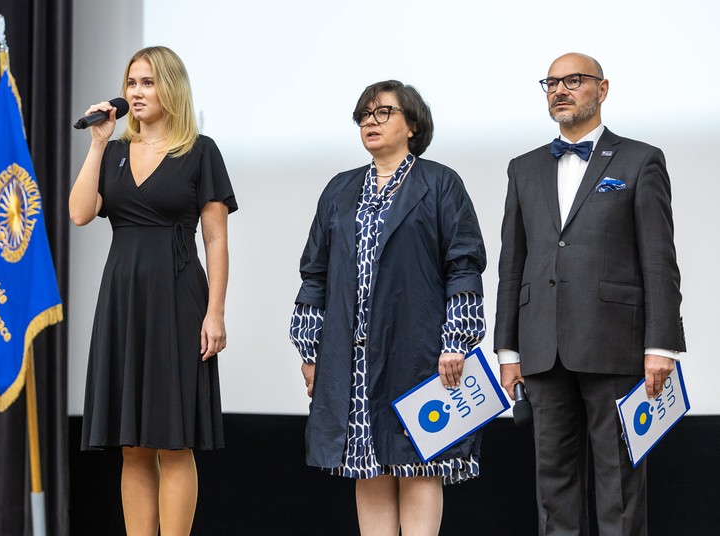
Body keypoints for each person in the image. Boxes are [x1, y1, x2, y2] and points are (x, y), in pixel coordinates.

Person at [494, 52, 685, 535]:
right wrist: (508, 350)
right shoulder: (523, 168)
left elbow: (659, 259)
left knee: (619, 481)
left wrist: (662, 344)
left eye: (574, 80)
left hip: (616, 344)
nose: (560, 89)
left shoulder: (640, 159)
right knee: (552, 482)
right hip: (542, 346)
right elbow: (512, 263)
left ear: (602, 89)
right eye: (551, 83)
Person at [289, 80, 486, 535]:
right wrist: (310, 350)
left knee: (417, 461)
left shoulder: (439, 182)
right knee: (367, 464)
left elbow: (463, 266)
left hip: (418, 352)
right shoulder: (340, 189)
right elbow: (314, 274)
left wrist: (456, 341)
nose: (370, 122)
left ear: (412, 125)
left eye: (383, 113)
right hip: (351, 357)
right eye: (364, 115)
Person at [69, 46, 237, 536]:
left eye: (147, 82)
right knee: (133, 445)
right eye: (131, 83)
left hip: (178, 296)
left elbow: (216, 239)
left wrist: (215, 312)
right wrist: (97, 144)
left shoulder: (200, 150)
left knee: (173, 440)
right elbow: (79, 213)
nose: (136, 92)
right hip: (123, 299)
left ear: (171, 88)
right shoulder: (114, 151)